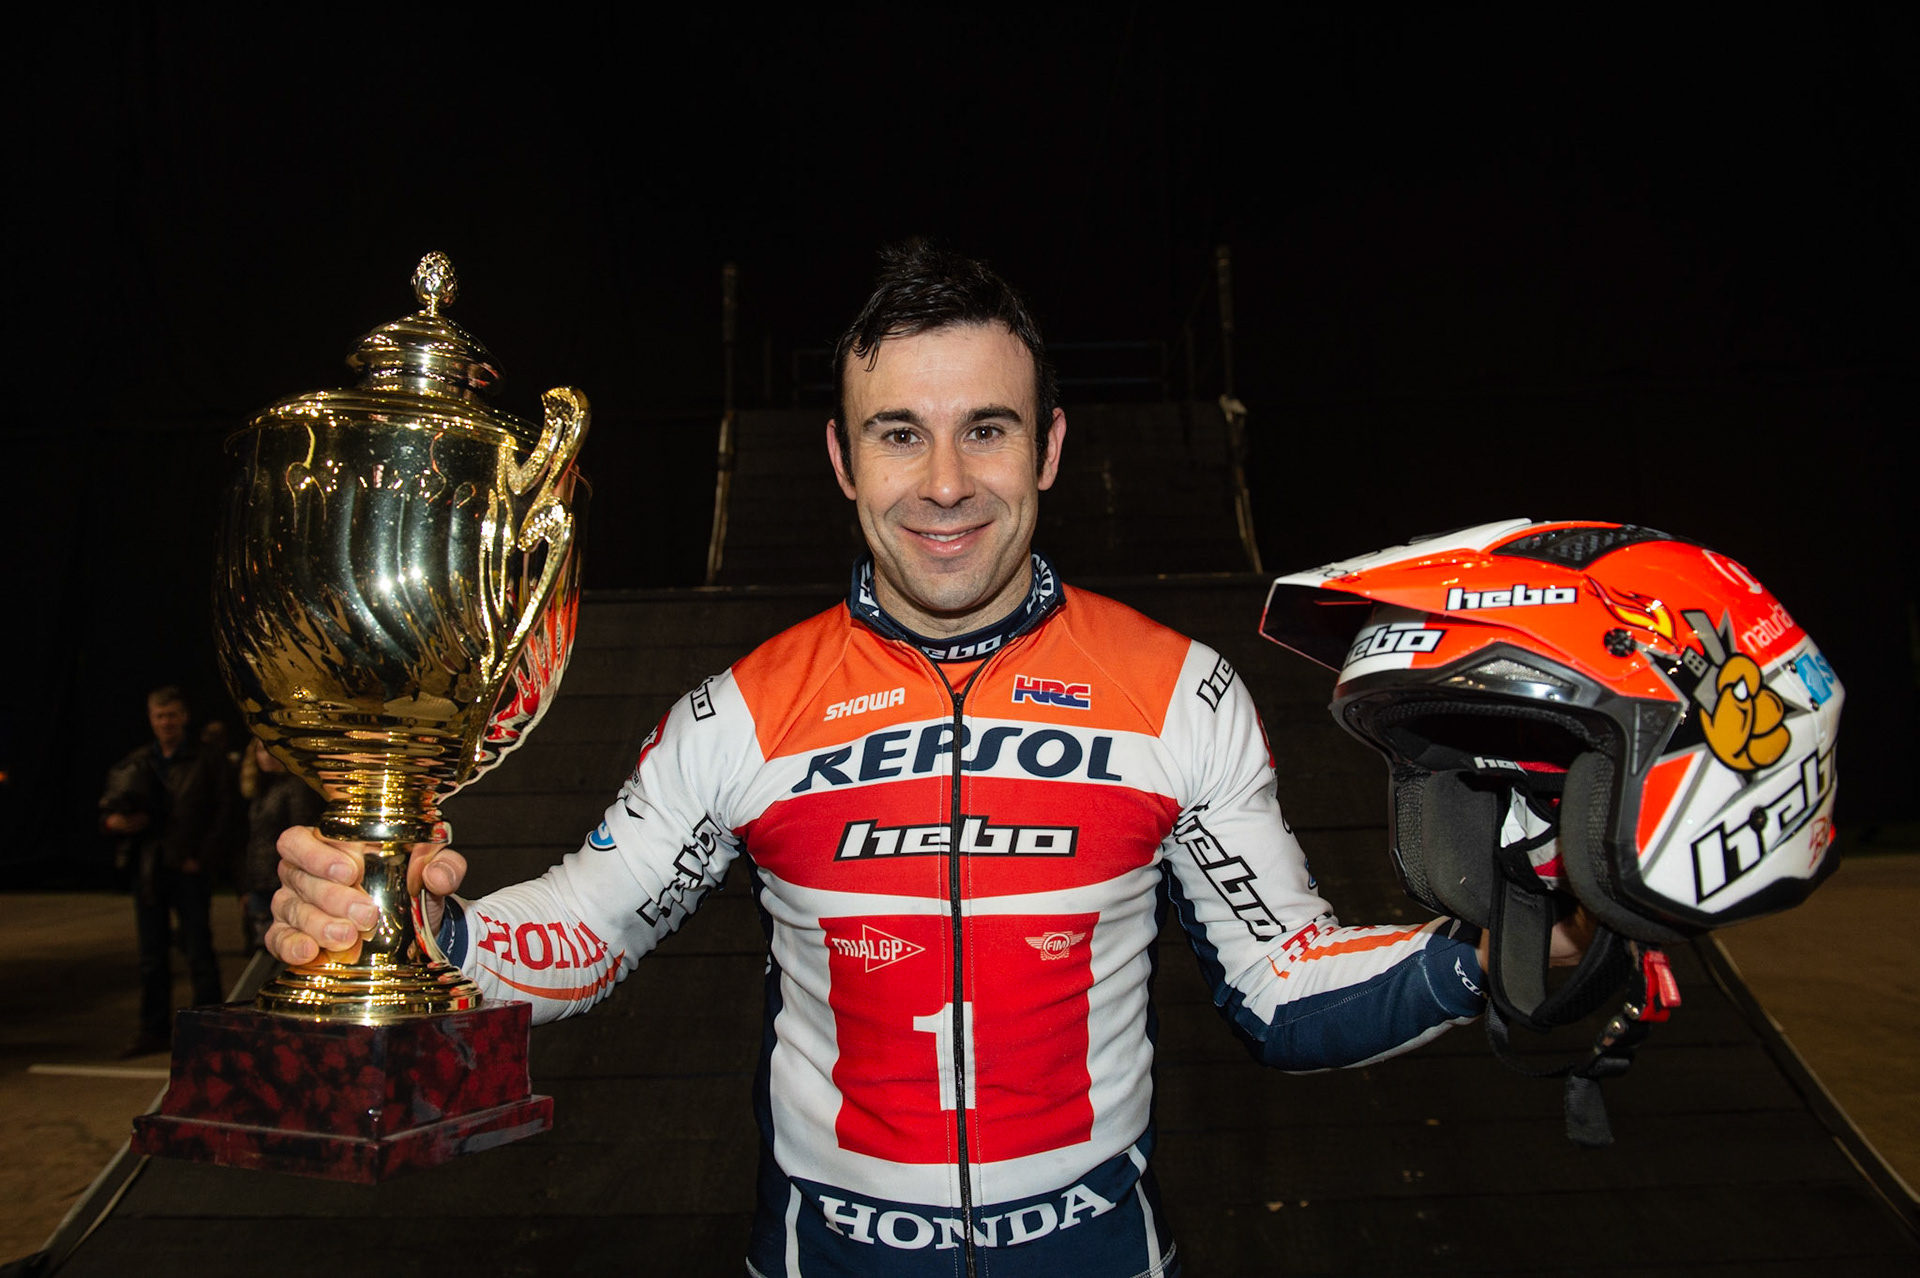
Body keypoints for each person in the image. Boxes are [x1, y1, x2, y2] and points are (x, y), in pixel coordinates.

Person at [271, 244, 1569, 1277]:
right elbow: (587, 929)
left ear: (1051, 448)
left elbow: (1285, 985)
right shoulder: (739, 711)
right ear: (840, 459)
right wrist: (417, 927)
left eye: (988, 429)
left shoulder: (1183, 691)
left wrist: (1515, 945)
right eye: (898, 433)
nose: (944, 482)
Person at [101, 686, 231, 1056]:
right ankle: (153, 1029)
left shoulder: (206, 759)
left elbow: (223, 814)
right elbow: (108, 811)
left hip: (188, 867)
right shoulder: (138, 762)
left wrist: (202, 858)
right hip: (149, 869)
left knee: (198, 949)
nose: (166, 723)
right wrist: (115, 823)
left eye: (172, 715)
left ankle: (210, 1028)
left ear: (184, 717)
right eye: (160, 716)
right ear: (151, 720)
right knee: (151, 954)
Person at [237, 736, 322, 951]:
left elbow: (300, 832)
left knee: (280, 947)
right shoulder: (259, 790)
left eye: (271, 750)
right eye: (260, 750)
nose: (266, 756)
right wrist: (245, 886)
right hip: (258, 879)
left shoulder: (295, 787)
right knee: (260, 946)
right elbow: (252, 840)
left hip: (281, 878)